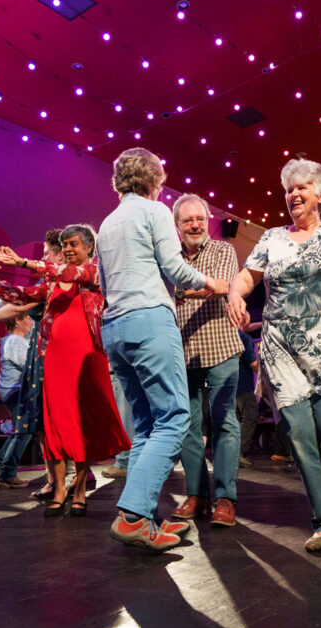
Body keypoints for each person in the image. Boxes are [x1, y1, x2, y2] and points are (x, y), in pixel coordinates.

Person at [227, 154, 321, 552]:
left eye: (301, 187)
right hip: (280, 349)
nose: (292, 195)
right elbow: (246, 276)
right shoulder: (271, 237)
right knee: (302, 437)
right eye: (288, 189)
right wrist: (236, 296)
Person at [97, 148, 228, 551]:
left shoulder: (106, 223)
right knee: (174, 417)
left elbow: (105, 285)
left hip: (114, 328)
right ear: (153, 178)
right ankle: (135, 515)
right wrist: (213, 283)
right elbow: (174, 268)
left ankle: (136, 517)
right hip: (149, 321)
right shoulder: (154, 212)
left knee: (146, 427)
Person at [0, 224, 131, 516]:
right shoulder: (52, 282)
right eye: (65, 244)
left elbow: (68, 272)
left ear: (89, 247)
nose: (68, 249)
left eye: (73, 244)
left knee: (83, 424)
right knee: (56, 425)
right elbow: (25, 297)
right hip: (55, 360)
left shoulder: (93, 272)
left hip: (87, 360)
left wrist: (23, 262)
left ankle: (78, 489)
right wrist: (1, 286)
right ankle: (60, 488)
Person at [170, 194, 244, 527]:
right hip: (184, 354)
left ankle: (225, 498)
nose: (196, 225)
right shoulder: (169, 256)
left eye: (200, 218)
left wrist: (181, 291)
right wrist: (197, 288)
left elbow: (224, 285)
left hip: (220, 350)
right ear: (178, 225)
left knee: (224, 422)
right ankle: (197, 495)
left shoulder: (222, 250)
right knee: (187, 426)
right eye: (188, 220)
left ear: (207, 219)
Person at [0, 229, 60, 489]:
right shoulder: (18, 340)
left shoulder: (66, 283)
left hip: (52, 363)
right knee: (31, 426)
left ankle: (63, 476)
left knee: (35, 426)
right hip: (27, 379)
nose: (43, 256)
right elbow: (21, 300)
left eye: (47, 253)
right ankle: (49, 479)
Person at [0, 312, 35, 489]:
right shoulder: (14, 341)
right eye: (28, 318)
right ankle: (5, 471)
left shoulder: (19, 340)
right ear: (17, 320)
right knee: (24, 430)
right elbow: (27, 365)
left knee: (23, 430)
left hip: (17, 390)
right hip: (15, 391)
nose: (31, 322)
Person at [235, 329, 259, 467]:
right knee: (251, 416)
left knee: (236, 421)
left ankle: (233, 454)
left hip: (229, 386)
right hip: (243, 385)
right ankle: (238, 453)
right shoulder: (244, 337)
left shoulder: (227, 334)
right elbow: (251, 362)